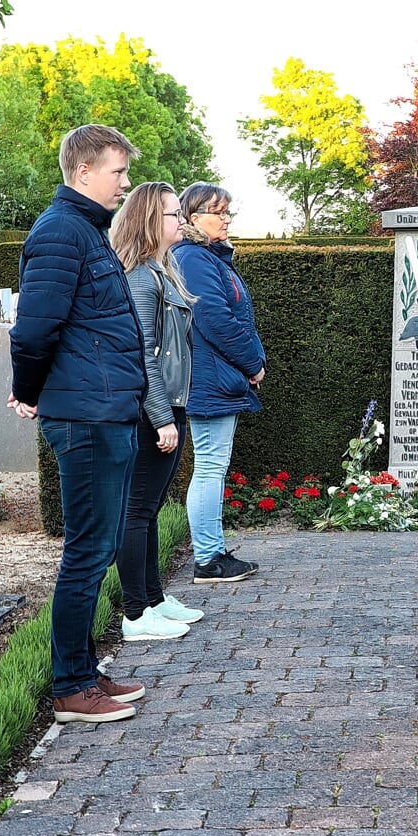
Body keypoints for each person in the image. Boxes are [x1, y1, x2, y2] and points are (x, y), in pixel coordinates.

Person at [10, 123, 149, 723]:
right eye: (118, 172)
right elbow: (34, 327)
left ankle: (83, 671)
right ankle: (70, 687)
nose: (125, 183)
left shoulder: (85, 232)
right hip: (86, 415)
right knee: (88, 550)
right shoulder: (62, 232)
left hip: (104, 408)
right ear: (84, 171)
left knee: (100, 544)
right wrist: (28, 391)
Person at [112, 181, 206, 640]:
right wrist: (162, 416)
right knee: (137, 509)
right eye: (174, 214)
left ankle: (153, 598)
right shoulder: (139, 278)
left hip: (171, 404)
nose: (181, 221)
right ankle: (134, 615)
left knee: (148, 509)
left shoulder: (161, 271)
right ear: (151, 219)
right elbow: (143, 353)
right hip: (156, 409)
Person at [172, 182, 267, 584]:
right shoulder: (194, 257)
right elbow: (215, 319)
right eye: (218, 211)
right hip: (211, 379)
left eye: (227, 211)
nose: (226, 218)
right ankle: (209, 559)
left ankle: (212, 554)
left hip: (214, 376)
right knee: (210, 466)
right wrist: (252, 364)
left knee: (212, 465)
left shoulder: (204, 256)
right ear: (193, 218)